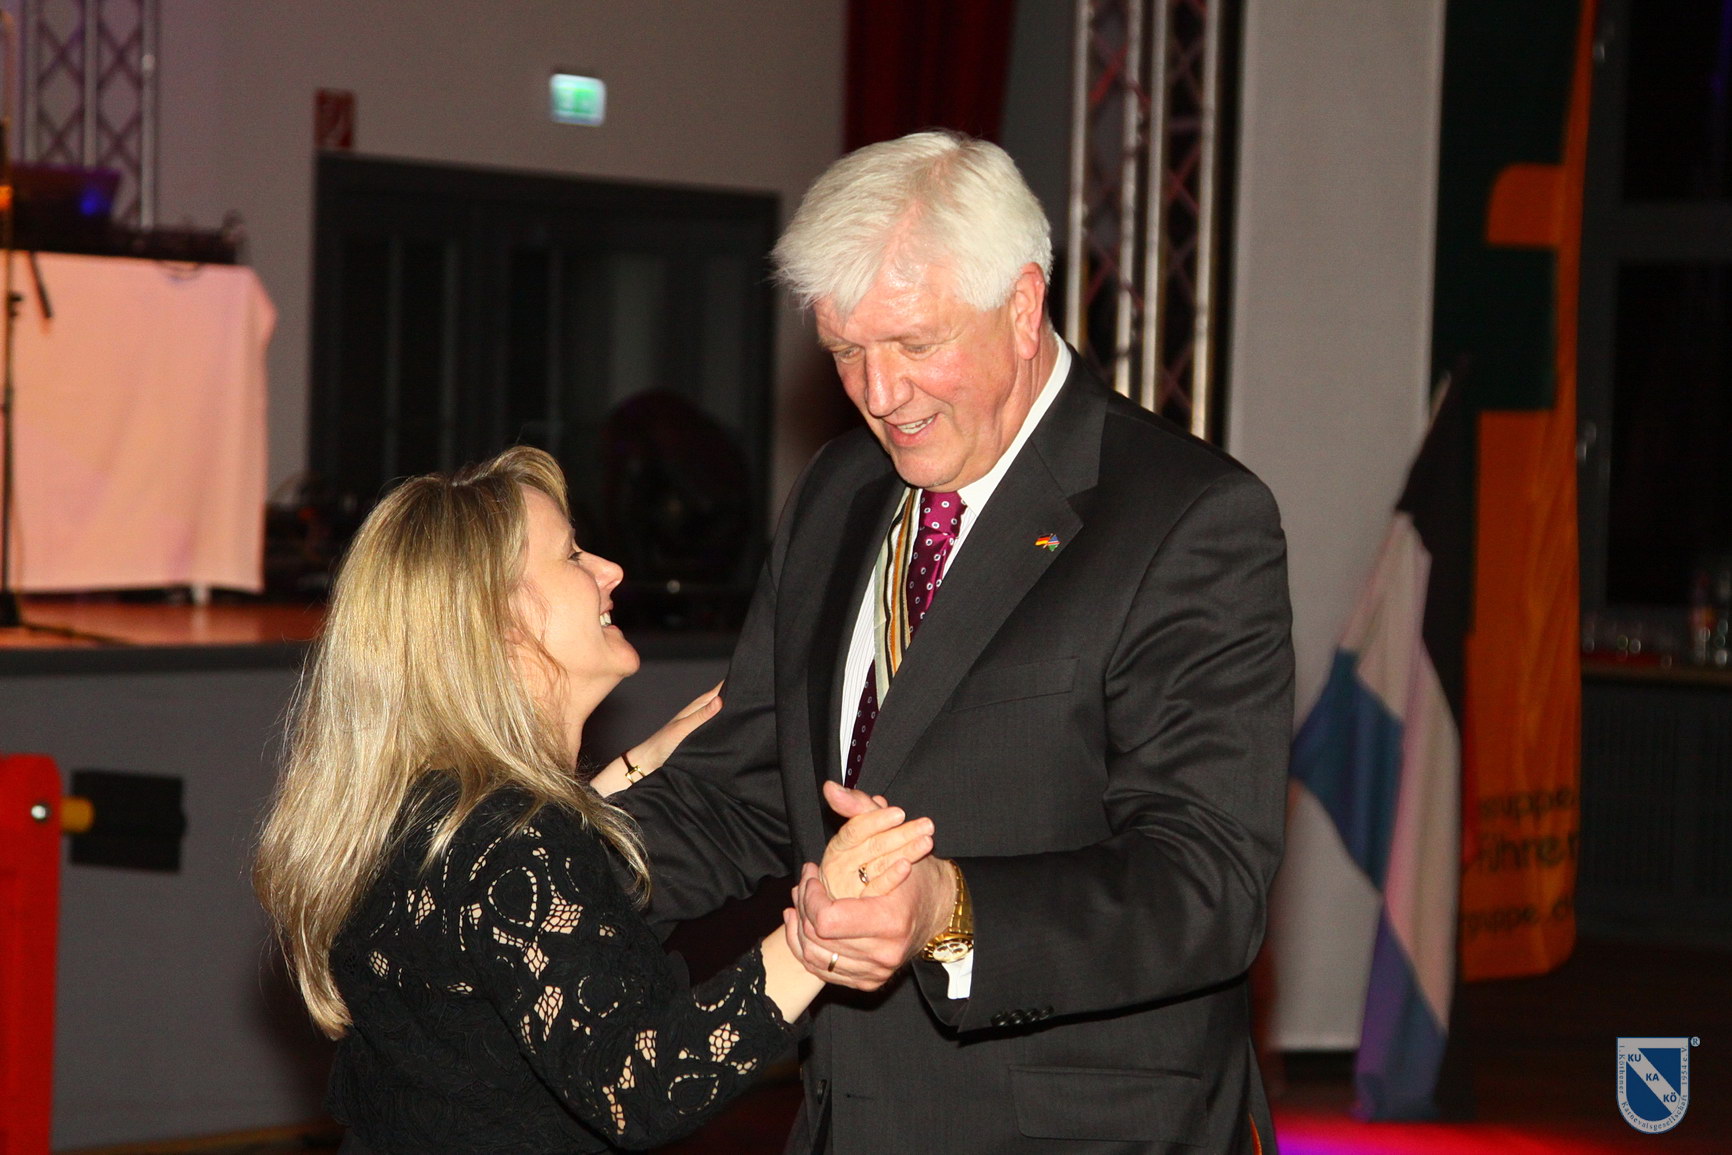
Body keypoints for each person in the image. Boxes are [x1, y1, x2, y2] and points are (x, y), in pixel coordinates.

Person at [619, 130, 1296, 1154]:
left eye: (912, 343)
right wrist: (527, 873)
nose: (879, 393)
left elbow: (1205, 884)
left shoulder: (1187, 517)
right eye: (846, 351)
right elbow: (746, 789)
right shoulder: (838, 492)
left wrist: (949, 909)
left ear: (1022, 308)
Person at [253, 446, 934, 1153]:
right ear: (500, 622)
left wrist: (629, 770)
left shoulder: (419, 809)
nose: (610, 571)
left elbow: (494, 920)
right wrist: (821, 932)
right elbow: (640, 1087)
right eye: (573, 555)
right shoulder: (512, 843)